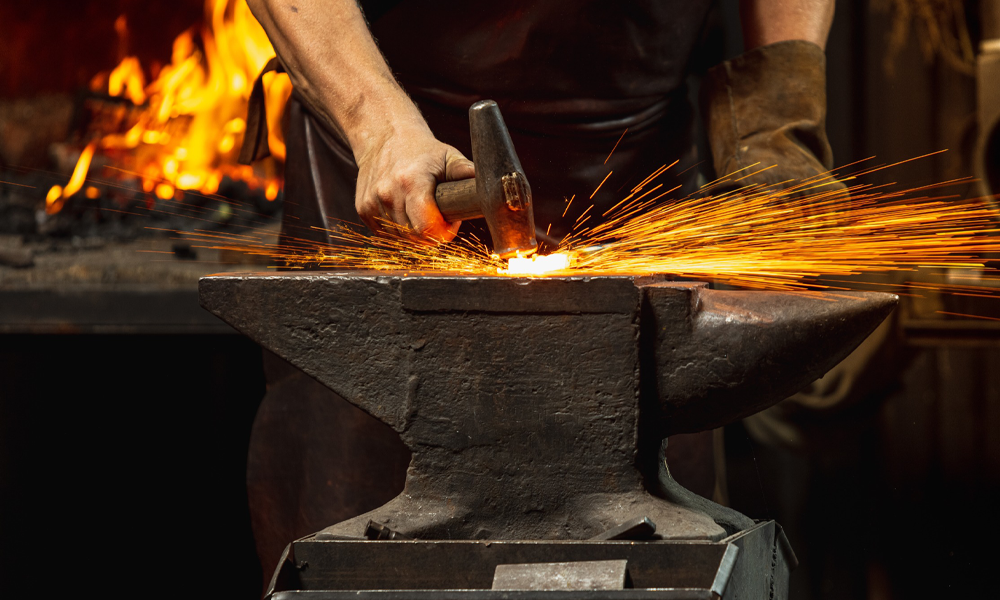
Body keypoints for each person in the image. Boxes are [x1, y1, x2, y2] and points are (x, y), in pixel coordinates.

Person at [240, 0, 841, 579]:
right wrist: (376, 123)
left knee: (654, 547)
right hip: (400, 160)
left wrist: (776, 119)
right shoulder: (384, 132)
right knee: (361, 540)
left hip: (635, 170)